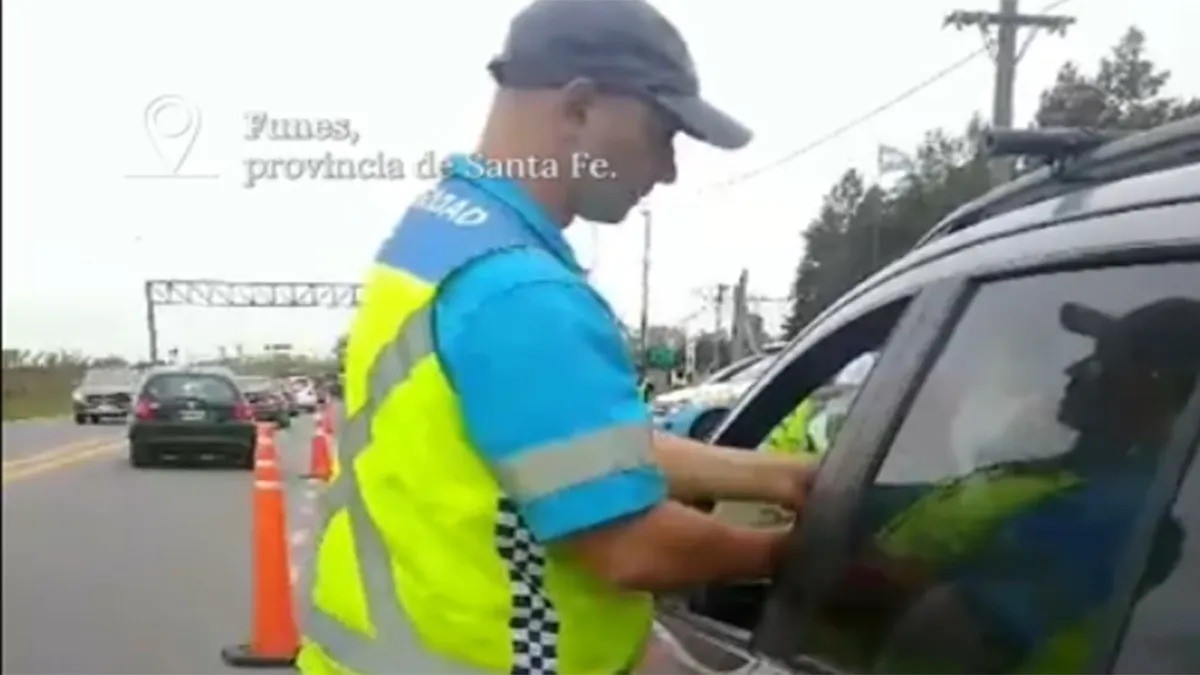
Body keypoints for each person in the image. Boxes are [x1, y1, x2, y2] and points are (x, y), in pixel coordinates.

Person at [296, 1, 815, 673]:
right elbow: (632, 545)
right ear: (578, 110)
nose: (668, 170)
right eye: (663, 133)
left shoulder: (440, 238)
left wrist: (777, 475)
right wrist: (791, 553)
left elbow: (563, 442)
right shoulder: (522, 292)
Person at [834, 297, 1200, 674]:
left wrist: (836, 579)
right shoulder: (1078, 476)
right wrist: (825, 491)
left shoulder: (1118, 515)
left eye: (1103, 360)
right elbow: (923, 506)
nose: (1073, 369)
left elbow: (948, 628)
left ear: (1156, 385)